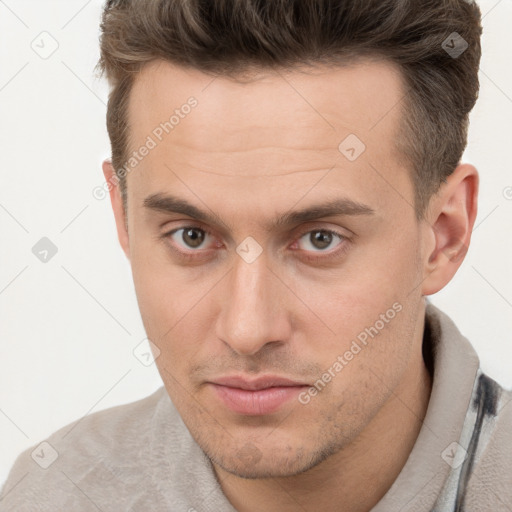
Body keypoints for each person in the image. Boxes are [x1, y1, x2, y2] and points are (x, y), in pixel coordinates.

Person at [1, 0, 511, 510]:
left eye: (320, 239)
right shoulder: (52, 493)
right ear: (124, 220)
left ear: (444, 234)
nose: (248, 330)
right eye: (192, 236)